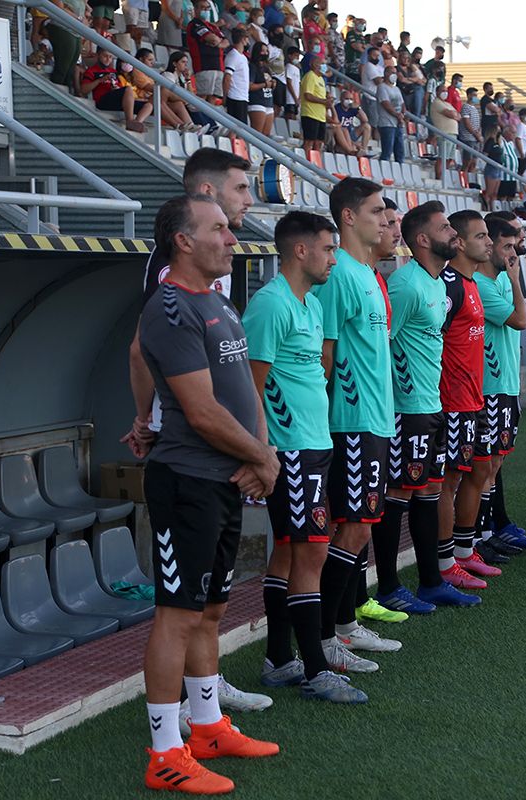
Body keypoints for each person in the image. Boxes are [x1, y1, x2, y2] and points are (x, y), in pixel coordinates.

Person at [138, 195, 281, 794]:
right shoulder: (169, 308)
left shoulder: (218, 300)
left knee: (212, 609)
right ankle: (165, 752)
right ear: (183, 241)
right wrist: (263, 458)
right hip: (187, 482)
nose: (233, 235)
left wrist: (259, 456)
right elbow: (199, 411)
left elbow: (244, 394)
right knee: (177, 614)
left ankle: (206, 726)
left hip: (225, 478)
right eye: (218, 228)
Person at [243, 211, 369, 704]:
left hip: (317, 445)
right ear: (301, 251)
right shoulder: (270, 305)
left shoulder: (310, 304)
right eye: (328, 249)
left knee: (292, 551)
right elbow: (249, 386)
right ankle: (316, 668)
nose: (334, 258)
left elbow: (312, 375)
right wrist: (263, 450)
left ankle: (278, 659)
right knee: (311, 550)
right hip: (291, 451)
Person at [374, 201, 480, 611]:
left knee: (430, 490)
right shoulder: (405, 285)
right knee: (400, 492)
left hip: (432, 403)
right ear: (422, 239)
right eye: (444, 229)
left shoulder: (437, 284)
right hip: (407, 407)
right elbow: (383, 346)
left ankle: (431, 580)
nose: (454, 234)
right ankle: (387, 587)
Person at [311, 178, 394, 680]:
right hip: (352, 423)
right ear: (348, 217)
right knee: (352, 526)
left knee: (361, 526)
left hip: (377, 420)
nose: (385, 219)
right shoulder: (340, 273)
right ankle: (324, 639)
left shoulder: (366, 272)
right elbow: (325, 354)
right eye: (376, 210)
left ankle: (343, 623)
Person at [435, 210, 499, 592]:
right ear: (459, 242)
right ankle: (445, 563)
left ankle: (464, 550)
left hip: (474, 398)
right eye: (481, 236)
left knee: (477, 471)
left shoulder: (470, 283)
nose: (488, 242)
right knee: (449, 481)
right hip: (452, 400)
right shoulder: (449, 285)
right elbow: (432, 341)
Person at [473, 216, 526, 551]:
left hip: (506, 384)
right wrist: (515, 280)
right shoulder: (484, 285)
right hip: (491, 387)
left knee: (495, 462)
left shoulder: (495, 281)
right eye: (507, 246)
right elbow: (521, 320)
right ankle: (477, 536)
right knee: (484, 466)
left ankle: (490, 528)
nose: (513, 254)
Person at [81, 47, 152, 133]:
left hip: (117, 100)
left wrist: (116, 88)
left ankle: (137, 122)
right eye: (105, 56)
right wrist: (100, 80)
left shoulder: (113, 72)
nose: (108, 59)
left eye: (110, 57)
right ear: (98, 55)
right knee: (128, 89)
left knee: (149, 105)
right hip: (102, 101)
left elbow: (119, 87)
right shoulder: (91, 71)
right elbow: (84, 90)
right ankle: (129, 121)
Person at [186, 0, 226, 104]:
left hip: (219, 66)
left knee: (214, 97)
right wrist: (217, 42)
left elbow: (226, 42)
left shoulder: (212, 26)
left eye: (207, 8)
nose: (206, 10)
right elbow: (213, 39)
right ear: (196, 9)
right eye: (203, 8)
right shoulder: (194, 24)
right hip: (204, 66)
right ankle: (199, 118)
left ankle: (208, 119)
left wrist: (218, 43)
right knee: (202, 97)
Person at [375, 65, 406, 163]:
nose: (395, 75)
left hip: (398, 124)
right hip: (386, 123)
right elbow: (385, 104)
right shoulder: (381, 87)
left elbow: (402, 104)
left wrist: (402, 115)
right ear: (386, 74)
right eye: (392, 73)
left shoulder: (396, 89)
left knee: (400, 151)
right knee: (387, 151)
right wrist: (397, 115)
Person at [428, 84, 460, 181]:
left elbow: (458, 116)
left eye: (446, 91)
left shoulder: (448, 104)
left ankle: (443, 176)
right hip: (444, 133)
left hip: (453, 133)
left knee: (449, 158)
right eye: (442, 91)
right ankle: (439, 178)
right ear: (437, 92)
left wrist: (454, 115)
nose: (445, 93)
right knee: (442, 157)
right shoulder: (437, 103)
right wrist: (453, 114)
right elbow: (449, 113)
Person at [299, 56, 328, 153]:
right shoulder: (310, 76)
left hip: (320, 116)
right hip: (310, 114)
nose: (325, 66)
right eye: (323, 64)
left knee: (319, 143)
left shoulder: (321, 79)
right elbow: (308, 95)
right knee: (309, 142)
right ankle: (305, 163)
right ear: (316, 64)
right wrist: (324, 101)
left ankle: (315, 163)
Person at [247, 42, 276, 136]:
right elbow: (249, 86)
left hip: (268, 102)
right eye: (263, 51)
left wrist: (272, 84)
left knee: (266, 135)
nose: (266, 53)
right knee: (257, 133)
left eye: (267, 51)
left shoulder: (267, 68)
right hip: (257, 102)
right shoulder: (252, 67)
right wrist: (264, 84)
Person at [482, 124, 504, 210]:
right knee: (489, 192)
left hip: (498, 168)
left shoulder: (497, 142)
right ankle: (485, 208)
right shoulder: (490, 141)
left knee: (495, 193)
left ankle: (493, 209)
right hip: (492, 168)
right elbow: (485, 154)